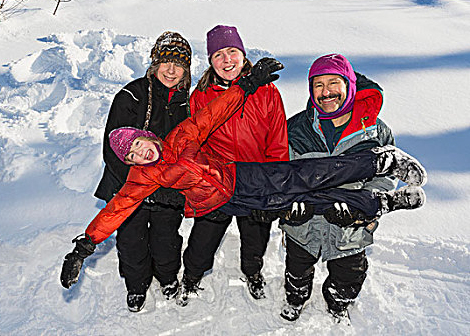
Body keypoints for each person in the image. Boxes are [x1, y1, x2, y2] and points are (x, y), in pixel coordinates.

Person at [60, 58, 427, 302]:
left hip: (242, 175)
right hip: (225, 202)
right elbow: (116, 209)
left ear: (147, 137)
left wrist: (246, 84)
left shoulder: (180, 139)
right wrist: (84, 246)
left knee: (306, 175)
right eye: (132, 156)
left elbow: (215, 112)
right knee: (315, 203)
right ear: (129, 162)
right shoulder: (142, 178)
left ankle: (378, 161)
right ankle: (384, 201)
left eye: (139, 146)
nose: (141, 154)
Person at [279, 53, 401, 324]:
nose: (326, 92)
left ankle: (338, 303)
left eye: (334, 82)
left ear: (350, 84)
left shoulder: (375, 132)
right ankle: (296, 298)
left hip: (351, 226)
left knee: (349, 275)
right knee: (297, 269)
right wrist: (289, 207)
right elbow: (283, 174)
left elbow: (386, 177)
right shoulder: (296, 129)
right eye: (318, 85)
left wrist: (362, 208)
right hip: (304, 224)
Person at [179, 24, 290, 305]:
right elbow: (196, 143)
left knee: (255, 240)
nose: (227, 60)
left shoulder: (267, 92)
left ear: (243, 54)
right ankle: (191, 277)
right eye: (218, 55)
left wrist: (274, 188)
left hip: (255, 181)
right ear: (210, 61)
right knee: (202, 241)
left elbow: (277, 142)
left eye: (232, 52)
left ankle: (253, 273)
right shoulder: (201, 97)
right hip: (218, 182)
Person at [92, 31, 192, 312]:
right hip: (129, 188)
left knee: (166, 240)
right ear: (154, 63)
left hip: (167, 192)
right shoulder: (132, 95)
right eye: (166, 62)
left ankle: (168, 277)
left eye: (179, 64)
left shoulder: (187, 102)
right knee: (131, 242)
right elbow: (114, 150)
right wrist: (140, 188)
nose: (171, 71)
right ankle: (136, 286)